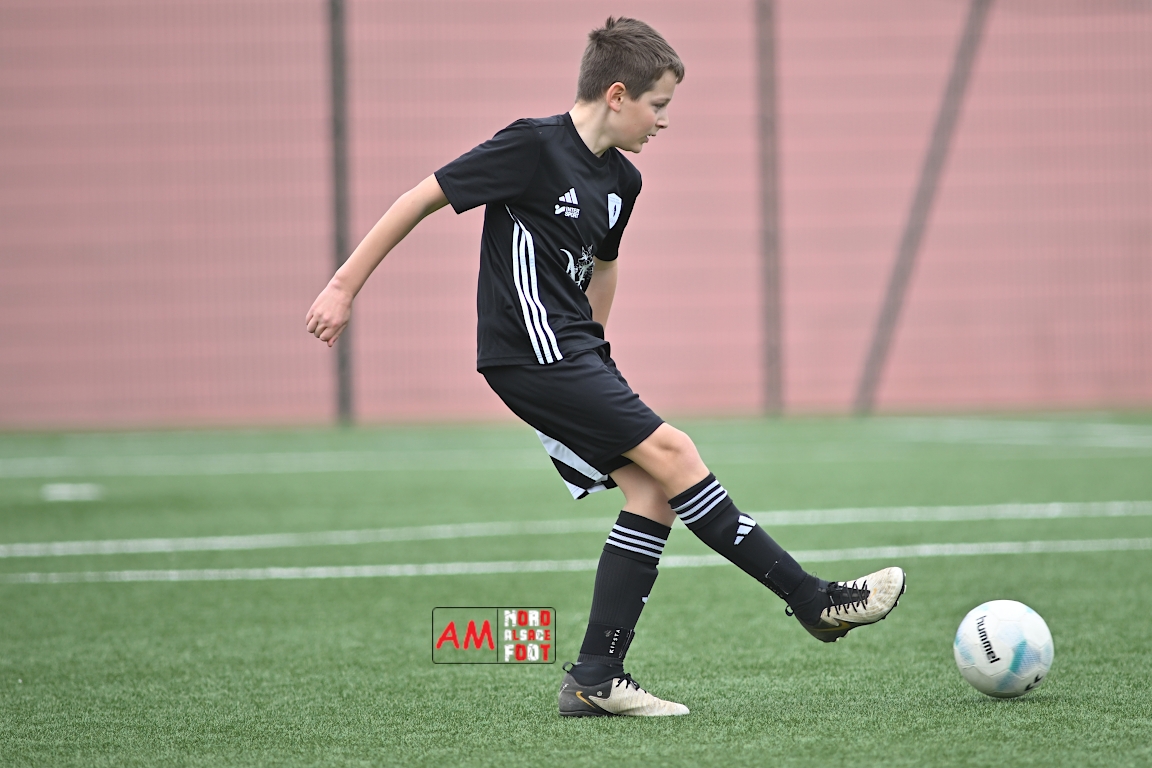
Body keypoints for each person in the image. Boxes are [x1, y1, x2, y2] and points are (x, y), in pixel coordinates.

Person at [306, 16, 905, 718]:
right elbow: (420, 198)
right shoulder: (531, 146)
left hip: (575, 353)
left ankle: (595, 678)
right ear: (617, 95)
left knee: (652, 491)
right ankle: (813, 600)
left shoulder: (624, 179)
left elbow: (605, 265)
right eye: (658, 105)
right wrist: (342, 287)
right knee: (675, 453)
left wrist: (597, 353)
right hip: (529, 352)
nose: (664, 121)